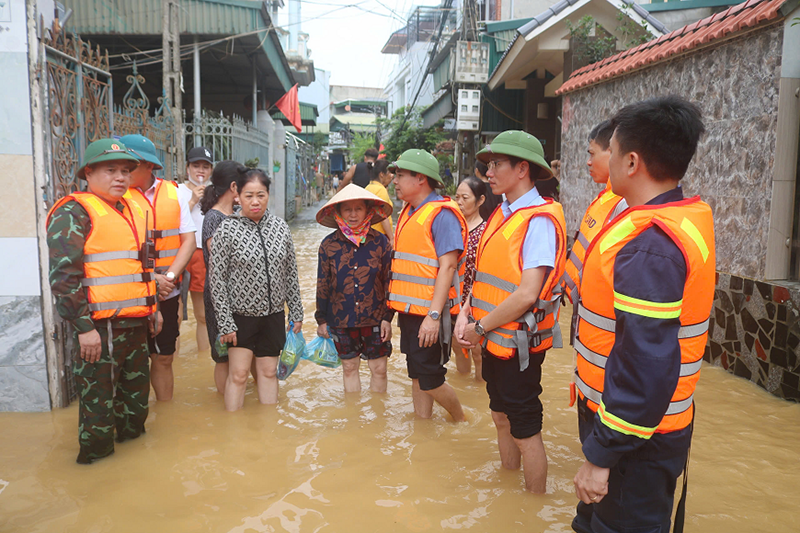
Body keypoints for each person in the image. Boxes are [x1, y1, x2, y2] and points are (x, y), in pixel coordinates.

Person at [571, 96, 714, 533]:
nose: (605, 160)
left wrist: (601, 456)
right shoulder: (672, 218)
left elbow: (645, 367)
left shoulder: (650, 246)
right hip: (634, 431)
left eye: (610, 151)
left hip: (635, 441)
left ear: (631, 161)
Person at [455, 130, 567, 494]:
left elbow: (527, 294)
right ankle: (508, 492)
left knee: (525, 428)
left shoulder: (537, 220)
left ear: (522, 169)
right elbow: (484, 273)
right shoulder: (503, 213)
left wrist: (479, 329)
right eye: (488, 164)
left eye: (497, 163)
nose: (489, 170)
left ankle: (531, 508)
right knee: (499, 415)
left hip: (517, 344)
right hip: (493, 337)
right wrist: (466, 311)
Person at [46, 139, 160, 464]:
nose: (121, 177)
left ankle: (133, 474)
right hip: (99, 328)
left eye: (125, 171)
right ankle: (96, 475)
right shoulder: (74, 211)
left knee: (136, 406)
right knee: (99, 409)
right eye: (111, 170)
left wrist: (154, 312)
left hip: (136, 323)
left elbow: (143, 266)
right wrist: (83, 328)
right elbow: (63, 277)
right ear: (89, 172)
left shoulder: (133, 209)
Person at [209, 168, 303, 411]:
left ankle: (268, 432)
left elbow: (290, 274)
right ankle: (233, 433)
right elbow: (216, 280)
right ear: (237, 195)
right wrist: (226, 323)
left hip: (272, 316)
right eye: (248, 195)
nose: (255, 201)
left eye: (260, 195)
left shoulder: (280, 228)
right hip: (240, 318)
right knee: (239, 374)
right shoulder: (226, 230)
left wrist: (296, 313)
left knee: (269, 372)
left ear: (268, 195)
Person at [389, 148, 467, 422]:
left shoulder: (442, 215)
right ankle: (422, 427)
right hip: (410, 311)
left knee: (430, 378)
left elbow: (448, 266)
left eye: (400, 175)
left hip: (431, 313)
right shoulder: (410, 211)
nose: (394, 181)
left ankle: (461, 419)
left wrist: (433, 316)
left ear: (420, 178)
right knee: (417, 374)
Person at [122, 134, 197, 402]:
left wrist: (168, 277)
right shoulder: (117, 197)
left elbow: (188, 241)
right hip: (130, 292)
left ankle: (165, 414)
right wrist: (150, 279)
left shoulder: (175, 193)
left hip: (167, 291)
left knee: (164, 357)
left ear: (148, 165)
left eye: (129, 166)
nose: (122, 173)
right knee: (133, 360)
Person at [315, 184, 394, 393]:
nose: (353, 215)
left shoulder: (381, 242)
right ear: (338, 213)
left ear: (368, 211)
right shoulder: (328, 245)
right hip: (341, 317)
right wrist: (321, 320)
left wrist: (388, 317)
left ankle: (378, 419)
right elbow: (323, 284)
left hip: (376, 316)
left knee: (379, 369)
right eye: (347, 210)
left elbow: (389, 282)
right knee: (349, 367)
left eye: (358, 209)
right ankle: (354, 420)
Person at [561, 120, 627, 346]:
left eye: (592, 154)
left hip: (602, 323)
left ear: (613, 151)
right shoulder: (606, 199)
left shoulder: (623, 204)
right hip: (586, 311)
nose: (588, 162)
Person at [199, 160, 240, 394]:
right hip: (220, 297)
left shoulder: (235, 214)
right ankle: (226, 404)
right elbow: (220, 261)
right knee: (223, 356)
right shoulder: (214, 218)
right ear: (234, 187)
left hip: (240, 297)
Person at [451, 176, 487, 381]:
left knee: (478, 351)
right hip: (454, 297)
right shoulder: (452, 227)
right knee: (458, 345)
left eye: (465, 197)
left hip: (477, 298)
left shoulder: (486, 231)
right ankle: (463, 385)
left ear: (480, 200)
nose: (459, 202)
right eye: (457, 197)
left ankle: (481, 390)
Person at [179, 146, 215, 352]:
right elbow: (174, 220)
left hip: (203, 253)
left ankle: (204, 358)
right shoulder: (177, 191)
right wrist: (193, 200)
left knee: (202, 315)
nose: (200, 171)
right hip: (181, 253)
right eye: (196, 166)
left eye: (205, 166)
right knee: (175, 315)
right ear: (187, 168)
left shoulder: (215, 193)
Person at [365, 159, 395, 246]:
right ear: (382, 174)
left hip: (369, 233)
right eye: (389, 173)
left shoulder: (368, 187)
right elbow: (383, 216)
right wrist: (391, 238)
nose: (392, 176)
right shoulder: (380, 190)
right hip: (380, 235)